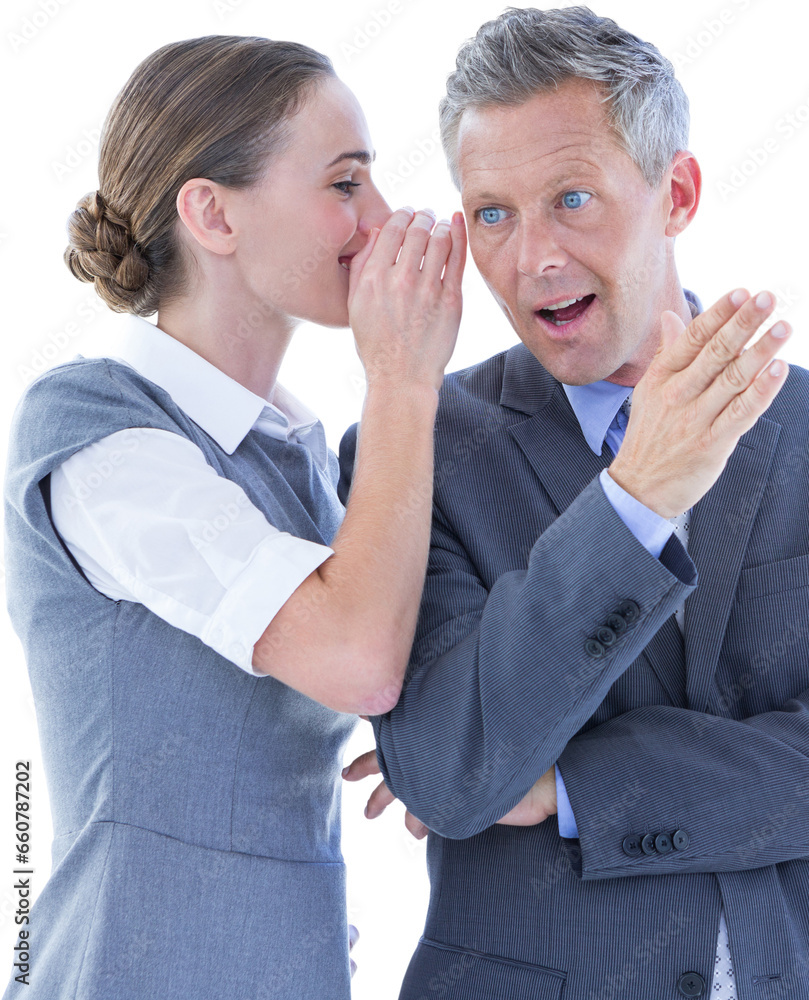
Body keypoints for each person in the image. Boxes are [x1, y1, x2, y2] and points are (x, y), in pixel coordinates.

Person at [339, 7, 809, 999]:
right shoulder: (418, 453)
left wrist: (570, 784)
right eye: (490, 212)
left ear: (675, 191)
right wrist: (636, 497)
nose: (531, 255)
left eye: (571, 198)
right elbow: (452, 772)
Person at [2, 34, 465, 1000]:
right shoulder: (98, 436)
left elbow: (396, 672)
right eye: (344, 184)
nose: (381, 221)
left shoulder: (301, 451)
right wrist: (404, 377)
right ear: (212, 212)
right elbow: (358, 657)